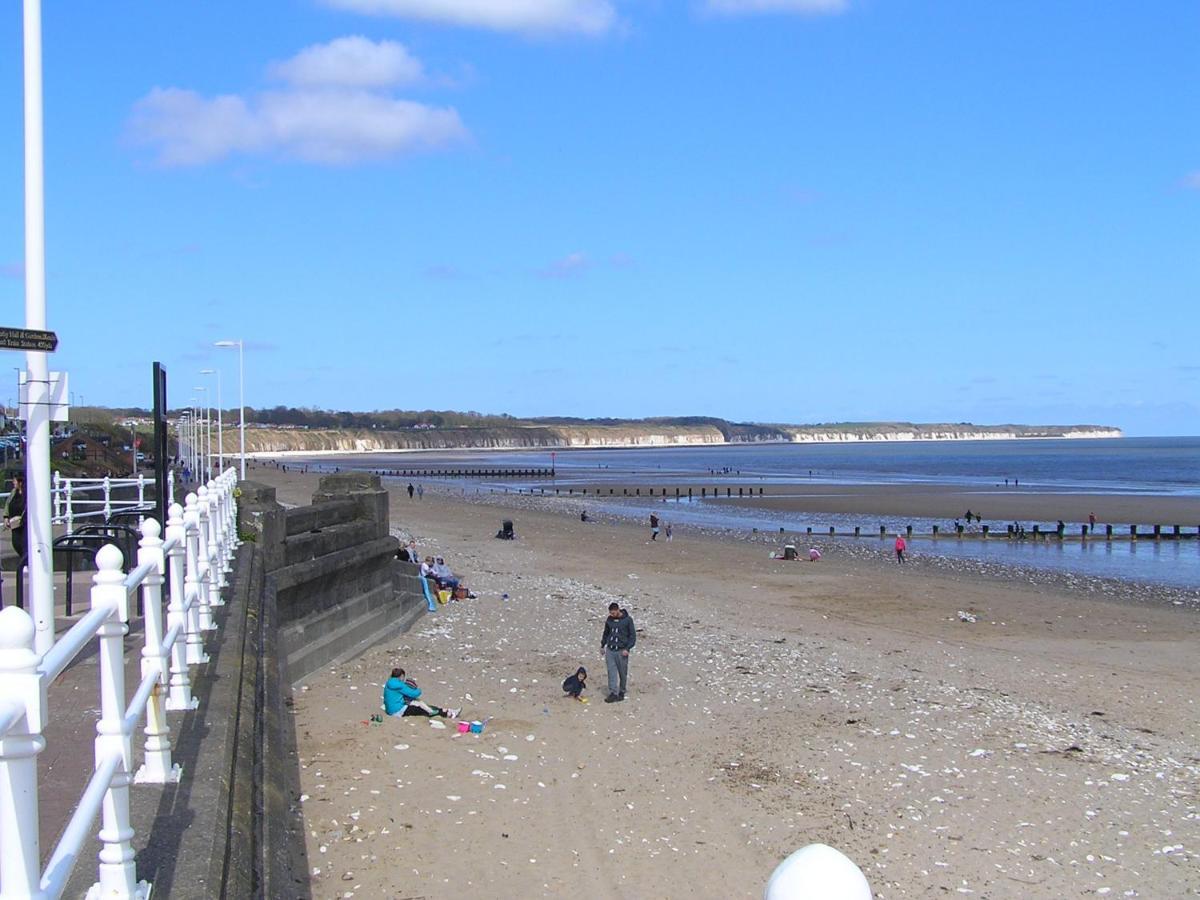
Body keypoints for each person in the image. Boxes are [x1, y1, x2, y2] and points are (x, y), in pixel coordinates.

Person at [383, 667, 459, 718]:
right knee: (421, 709)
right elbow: (414, 693)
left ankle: (445, 710)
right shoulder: (399, 685)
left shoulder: (389, 683)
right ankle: (448, 714)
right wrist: (418, 689)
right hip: (398, 711)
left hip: (390, 710)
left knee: (421, 705)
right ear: (401, 676)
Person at [600, 602, 636, 702]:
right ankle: (613, 693)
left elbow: (632, 636)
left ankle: (622, 691)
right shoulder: (609, 620)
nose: (612, 615)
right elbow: (606, 633)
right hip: (610, 650)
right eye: (610, 613)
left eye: (613, 613)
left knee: (622, 672)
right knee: (611, 672)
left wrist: (627, 648)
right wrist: (602, 645)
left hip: (621, 650)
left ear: (618, 610)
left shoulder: (628, 620)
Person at [3, 472, 26, 561]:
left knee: (23, 543)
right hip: (14, 524)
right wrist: (6, 517)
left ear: (20, 482)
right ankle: (24, 560)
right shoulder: (13, 492)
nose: (13, 482)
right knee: (16, 543)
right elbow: (8, 503)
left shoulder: (26, 493)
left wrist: (21, 517)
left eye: (15, 481)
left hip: (23, 523)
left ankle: (26, 561)